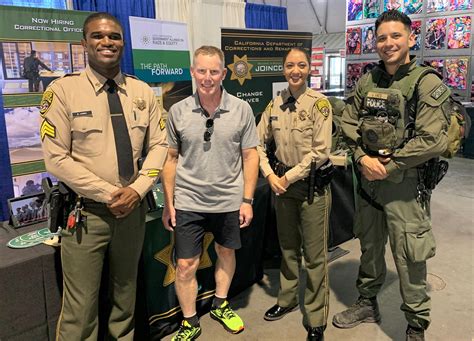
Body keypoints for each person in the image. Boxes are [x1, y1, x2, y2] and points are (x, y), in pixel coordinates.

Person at [40, 12, 168, 340]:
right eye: (98, 36)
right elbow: (56, 160)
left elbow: (159, 146)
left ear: (123, 43)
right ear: (84, 43)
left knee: (126, 297)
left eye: (114, 36)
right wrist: (109, 193)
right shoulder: (62, 92)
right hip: (86, 215)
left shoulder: (142, 93)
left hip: (133, 212)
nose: (107, 42)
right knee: (80, 309)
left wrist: (138, 189)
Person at [332, 10, 450, 341]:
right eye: (382, 37)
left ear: (411, 38)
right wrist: (360, 157)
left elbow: (432, 140)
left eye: (396, 36)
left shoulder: (427, 83)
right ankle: (367, 302)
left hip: (406, 187)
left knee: (410, 254)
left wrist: (389, 165)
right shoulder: (368, 81)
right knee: (369, 245)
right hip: (369, 182)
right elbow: (348, 123)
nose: (388, 43)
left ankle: (416, 323)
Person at [161, 45, 259, 340]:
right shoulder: (177, 112)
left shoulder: (241, 109)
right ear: (193, 72)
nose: (207, 77)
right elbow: (170, 160)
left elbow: (250, 156)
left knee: (225, 251)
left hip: (229, 199)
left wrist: (247, 200)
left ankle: (220, 303)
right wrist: (169, 204)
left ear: (224, 73)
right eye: (201, 71)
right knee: (185, 264)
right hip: (189, 201)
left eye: (214, 71)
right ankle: (190, 321)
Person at [256, 47, 333, 341]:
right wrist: (269, 175)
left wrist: (286, 177)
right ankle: (287, 300)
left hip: (311, 188)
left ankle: (315, 317)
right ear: (284, 69)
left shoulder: (319, 104)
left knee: (314, 257)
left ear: (308, 69)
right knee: (287, 249)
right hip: (281, 187)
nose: (296, 70)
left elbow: (320, 152)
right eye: (290, 65)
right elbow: (257, 143)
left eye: (301, 65)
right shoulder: (274, 105)